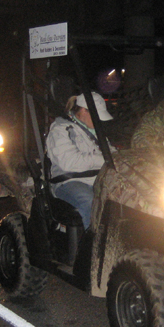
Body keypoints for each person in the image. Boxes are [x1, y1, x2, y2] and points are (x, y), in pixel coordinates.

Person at [46, 91, 113, 229]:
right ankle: (92, 247)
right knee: (91, 203)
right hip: (69, 182)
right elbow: (69, 162)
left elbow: (113, 153)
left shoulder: (96, 133)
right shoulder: (60, 130)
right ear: (83, 111)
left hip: (96, 180)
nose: (98, 120)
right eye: (96, 116)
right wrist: (103, 159)